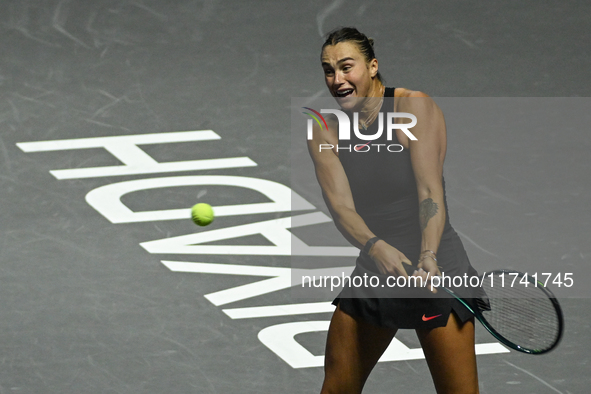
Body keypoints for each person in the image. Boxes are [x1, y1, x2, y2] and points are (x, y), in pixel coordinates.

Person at [307, 27, 483, 394]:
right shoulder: (324, 129)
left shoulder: (412, 107)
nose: (336, 79)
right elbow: (341, 208)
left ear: (372, 66)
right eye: (328, 70)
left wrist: (429, 254)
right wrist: (374, 247)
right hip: (377, 270)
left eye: (346, 67)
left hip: (435, 271)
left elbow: (429, 191)